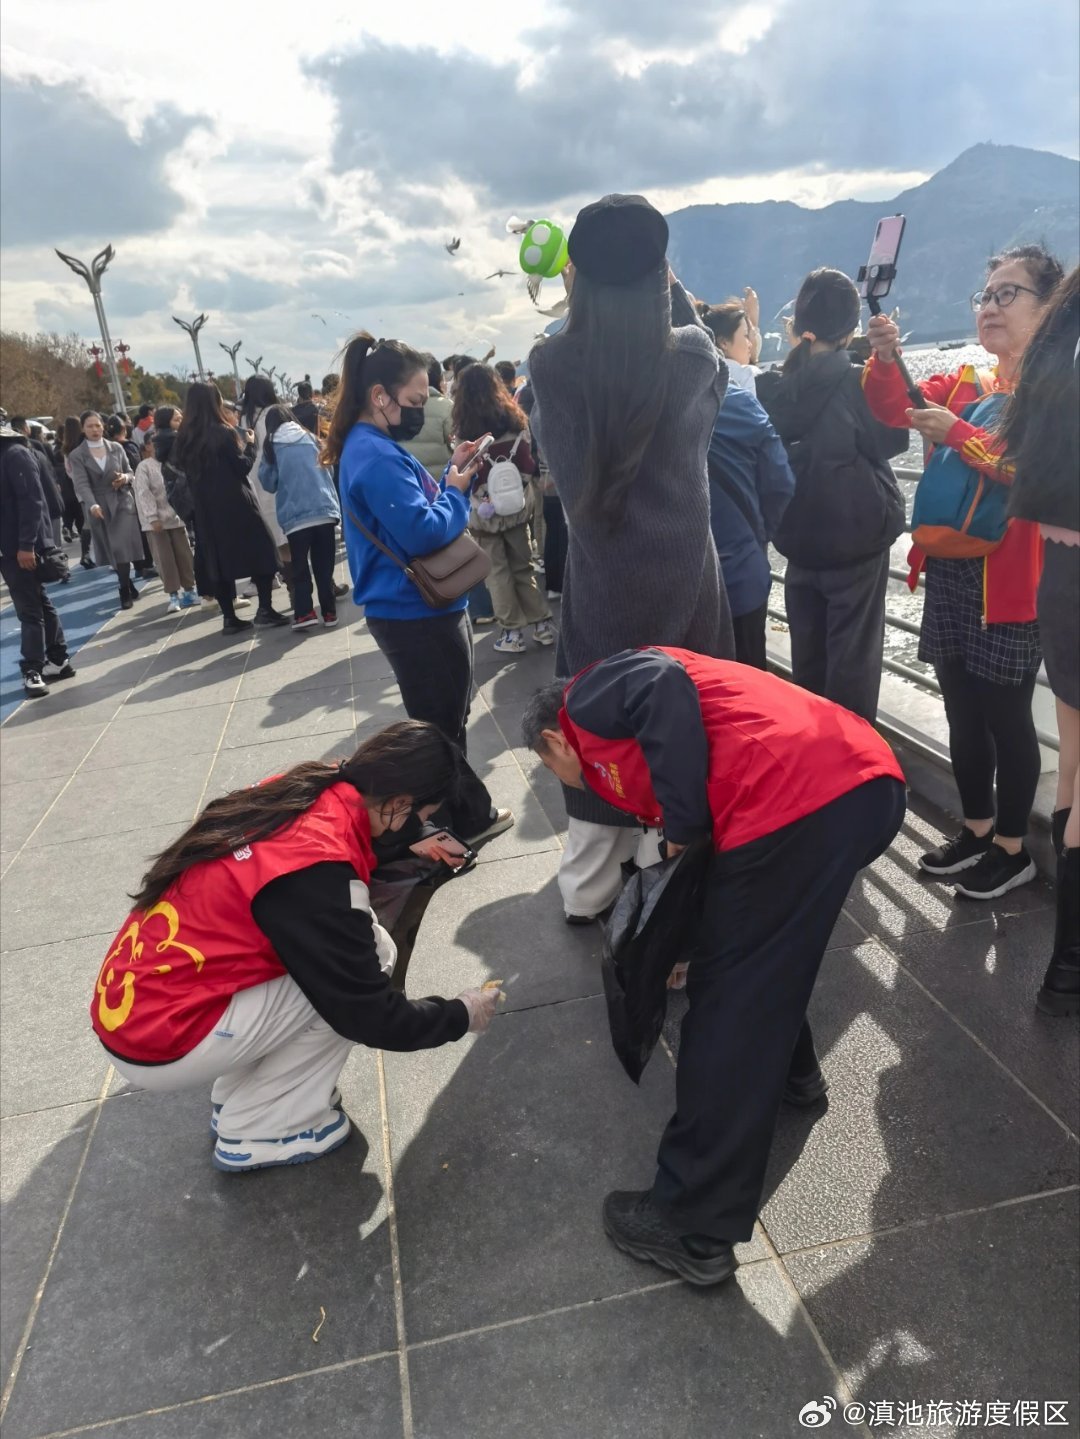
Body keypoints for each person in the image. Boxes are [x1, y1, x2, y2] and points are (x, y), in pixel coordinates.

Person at [522, 646, 906, 1285]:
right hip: (854, 788)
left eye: (549, 766)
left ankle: (691, 1222)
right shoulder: (612, 738)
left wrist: (681, 825)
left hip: (799, 799)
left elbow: (659, 682)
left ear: (550, 741)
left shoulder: (585, 698)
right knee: (758, 962)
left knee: (729, 1002)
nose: (562, 777)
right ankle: (797, 1076)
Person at [89, 721, 506, 1173]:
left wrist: (406, 843)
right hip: (163, 1039)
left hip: (142, 1004)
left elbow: (328, 856)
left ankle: (245, 1097)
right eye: (421, 815)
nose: (419, 825)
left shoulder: (303, 787)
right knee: (365, 963)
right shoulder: (316, 870)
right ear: (399, 803)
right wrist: (461, 1013)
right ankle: (264, 1129)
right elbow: (371, 1015)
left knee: (335, 961)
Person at [528, 192, 735, 924]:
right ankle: (673, 887)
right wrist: (670, 287)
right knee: (689, 733)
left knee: (601, 731)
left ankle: (588, 893)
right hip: (688, 588)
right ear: (661, 274)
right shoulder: (693, 358)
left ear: (577, 276)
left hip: (602, 592)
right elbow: (711, 380)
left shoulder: (550, 365)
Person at [865, 244, 1064, 900]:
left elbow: (1027, 471)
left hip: (1010, 581)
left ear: (1049, 307)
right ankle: (976, 829)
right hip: (952, 569)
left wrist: (955, 433)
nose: (991, 307)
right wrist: (885, 357)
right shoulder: (968, 381)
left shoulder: (1053, 393)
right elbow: (893, 409)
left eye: (1009, 294)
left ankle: (1012, 848)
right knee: (960, 707)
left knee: (1008, 717)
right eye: (987, 295)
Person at [325, 331, 513, 847]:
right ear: (379, 396)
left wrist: (451, 473)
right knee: (439, 725)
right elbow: (424, 532)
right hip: (417, 612)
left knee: (442, 719)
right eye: (413, 400)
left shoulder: (367, 446)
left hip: (410, 607)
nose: (420, 409)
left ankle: (453, 815)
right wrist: (455, 491)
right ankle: (462, 817)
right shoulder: (376, 455)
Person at [758, 268, 906, 721]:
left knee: (810, 667)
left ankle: (816, 755)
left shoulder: (774, 386)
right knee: (853, 671)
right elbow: (891, 440)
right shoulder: (855, 381)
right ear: (850, 328)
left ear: (799, 324)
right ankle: (853, 757)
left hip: (799, 545)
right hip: (855, 543)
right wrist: (886, 364)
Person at [999, 266, 1079, 1014]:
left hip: (1061, 574)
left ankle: (1065, 963)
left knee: (1073, 768)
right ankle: (1069, 966)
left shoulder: (1063, 324)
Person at [451, 363, 555, 653]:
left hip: (483, 513)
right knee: (524, 567)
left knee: (497, 573)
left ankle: (512, 634)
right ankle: (543, 625)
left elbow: (465, 471)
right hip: (516, 508)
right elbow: (528, 465)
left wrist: (483, 497)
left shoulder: (464, 432)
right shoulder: (516, 421)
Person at [172, 382, 288, 635]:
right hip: (236, 504)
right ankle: (265, 609)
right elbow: (241, 466)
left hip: (205, 510)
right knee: (263, 553)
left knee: (218, 563)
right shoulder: (222, 433)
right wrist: (250, 445)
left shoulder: (183, 439)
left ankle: (229, 617)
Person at [706, 380, 795, 668]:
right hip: (740, 575)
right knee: (744, 678)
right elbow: (780, 483)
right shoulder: (738, 403)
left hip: (670, 587)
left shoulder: (642, 401)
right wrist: (759, 536)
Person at [0, 421, 75, 697]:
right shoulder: (13, 454)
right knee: (38, 602)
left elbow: (32, 502)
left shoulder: (14, 454)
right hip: (14, 547)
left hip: (20, 548)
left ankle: (33, 667)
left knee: (29, 608)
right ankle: (57, 658)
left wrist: (26, 545)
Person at [258, 404, 341, 629]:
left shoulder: (271, 446)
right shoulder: (311, 438)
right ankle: (330, 613)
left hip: (296, 517)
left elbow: (268, 482)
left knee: (300, 568)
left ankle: (305, 614)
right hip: (324, 510)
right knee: (324, 567)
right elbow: (329, 469)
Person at [68, 410, 147, 611]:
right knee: (113, 550)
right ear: (83, 429)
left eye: (98, 425)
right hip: (98, 505)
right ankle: (126, 581)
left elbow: (130, 471)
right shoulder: (77, 455)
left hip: (121, 501)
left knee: (121, 546)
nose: (95, 429)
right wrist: (92, 504)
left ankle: (124, 589)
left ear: (103, 426)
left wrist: (125, 478)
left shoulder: (116, 448)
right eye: (90, 426)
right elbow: (82, 484)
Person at [132, 429, 199, 613]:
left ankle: (190, 590)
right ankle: (173, 595)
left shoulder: (173, 461)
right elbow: (144, 493)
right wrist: (152, 517)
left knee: (185, 556)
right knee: (165, 559)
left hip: (176, 518)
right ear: (148, 446)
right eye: (154, 443)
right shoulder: (144, 467)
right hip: (156, 524)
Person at [240, 375, 293, 592]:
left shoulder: (245, 419)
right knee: (289, 531)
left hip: (256, 478)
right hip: (279, 474)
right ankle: (296, 581)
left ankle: (286, 580)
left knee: (273, 532)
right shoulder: (275, 411)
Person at [11, 416, 64, 549]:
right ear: (25, 428)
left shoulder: (28, 450)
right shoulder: (35, 447)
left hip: (45, 500)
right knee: (53, 547)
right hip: (47, 499)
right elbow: (50, 468)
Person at [403, 353, 454, 480]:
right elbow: (455, 444)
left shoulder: (398, 405)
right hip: (438, 482)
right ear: (439, 379)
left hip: (408, 478)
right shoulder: (447, 407)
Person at [699, 300, 760, 393]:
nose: (750, 344)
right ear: (724, 343)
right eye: (745, 335)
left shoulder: (698, 376)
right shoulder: (745, 374)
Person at [59, 415, 93, 566]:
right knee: (93, 521)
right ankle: (89, 554)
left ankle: (86, 553)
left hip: (78, 487)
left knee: (87, 521)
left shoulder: (66, 449)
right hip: (93, 486)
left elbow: (69, 472)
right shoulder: (85, 445)